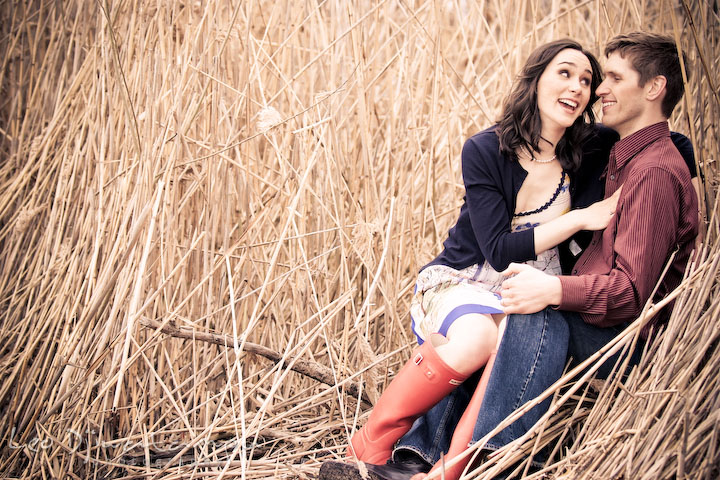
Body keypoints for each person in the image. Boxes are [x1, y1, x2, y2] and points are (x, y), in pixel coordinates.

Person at [344, 31, 698, 480]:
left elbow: (630, 287)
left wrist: (554, 288)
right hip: (476, 276)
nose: (592, 89)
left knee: (520, 315)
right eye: (571, 75)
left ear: (653, 88)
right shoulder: (503, 149)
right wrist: (580, 221)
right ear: (536, 81)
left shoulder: (625, 159)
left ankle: (457, 467)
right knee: (494, 321)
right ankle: (402, 453)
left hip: (612, 324)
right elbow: (496, 250)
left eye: (600, 79)